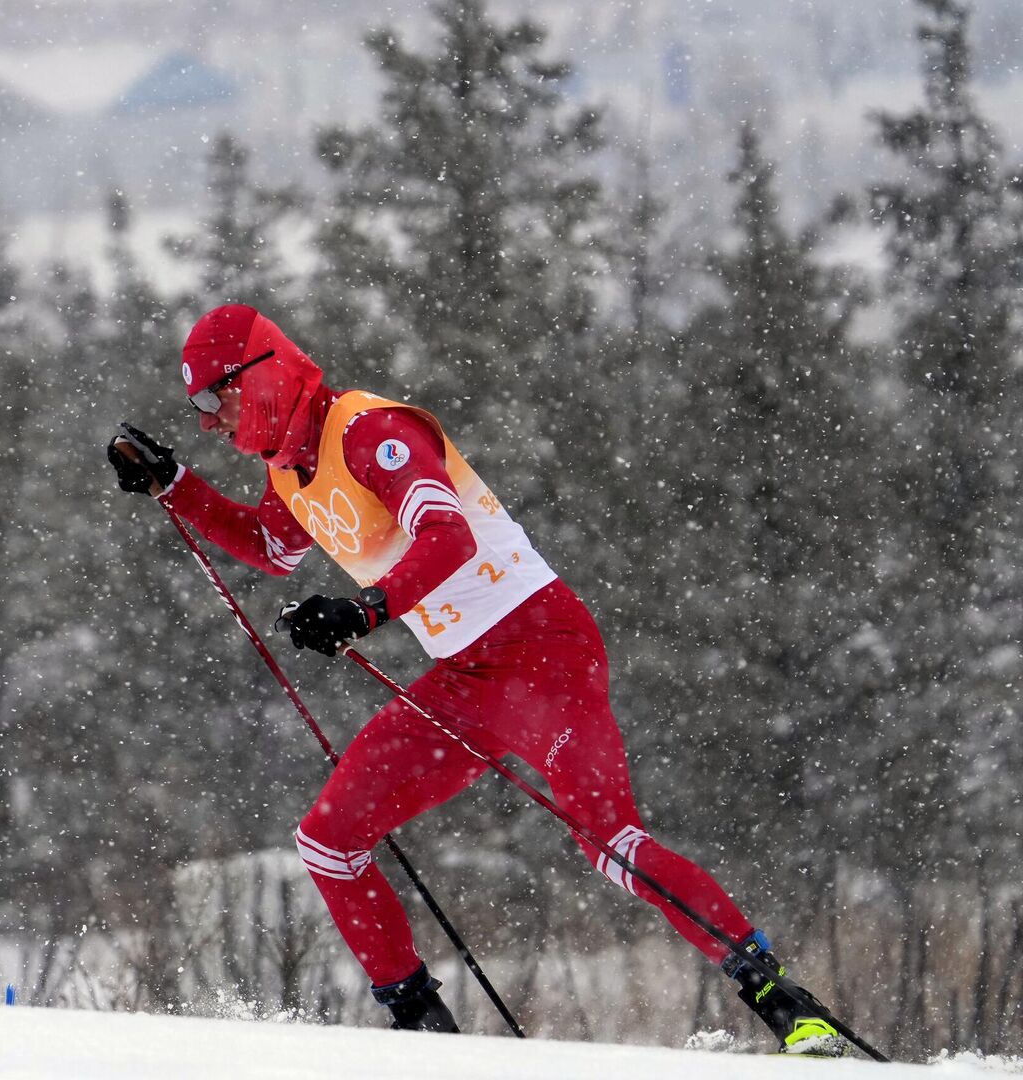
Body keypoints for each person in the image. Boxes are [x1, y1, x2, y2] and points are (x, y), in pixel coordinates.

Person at [108, 303, 845, 1054]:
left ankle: (783, 999)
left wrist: (361, 613)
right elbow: (271, 544)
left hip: (543, 651)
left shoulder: (370, 432)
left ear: (258, 376)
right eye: (197, 409)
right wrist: (174, 485)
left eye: (213, 400)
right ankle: (427, 1038)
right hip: (466, 678)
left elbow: (447, 535)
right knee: (329, 842)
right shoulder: (289, 469)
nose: (208, 422)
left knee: (610, 845)